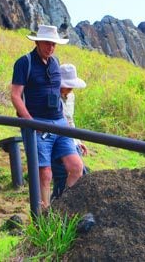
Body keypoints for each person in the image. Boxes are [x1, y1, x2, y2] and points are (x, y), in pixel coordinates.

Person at [10, 25, 84, 209]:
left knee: (76, 167)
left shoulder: (55, 62)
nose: (50, 47)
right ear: (37, 42)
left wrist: (68, 126)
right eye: (47, 43)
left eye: (54, 44)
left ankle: (63, 207)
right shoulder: (24, 63)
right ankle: (43, 214)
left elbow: (58, 96)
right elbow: (15, 95)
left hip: (59, 121)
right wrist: (29, 120)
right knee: (45, 172)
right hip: (38, 121)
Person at [51, 63, 89, 200]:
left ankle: (65, 205)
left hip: (70, 139)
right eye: (68, 85)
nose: (70, 88)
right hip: (56, 139)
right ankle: (57, 207)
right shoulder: (52, 96)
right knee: (62, 176)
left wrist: (78, 140)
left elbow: (70, 119)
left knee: (81, 174)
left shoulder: (71, 97)